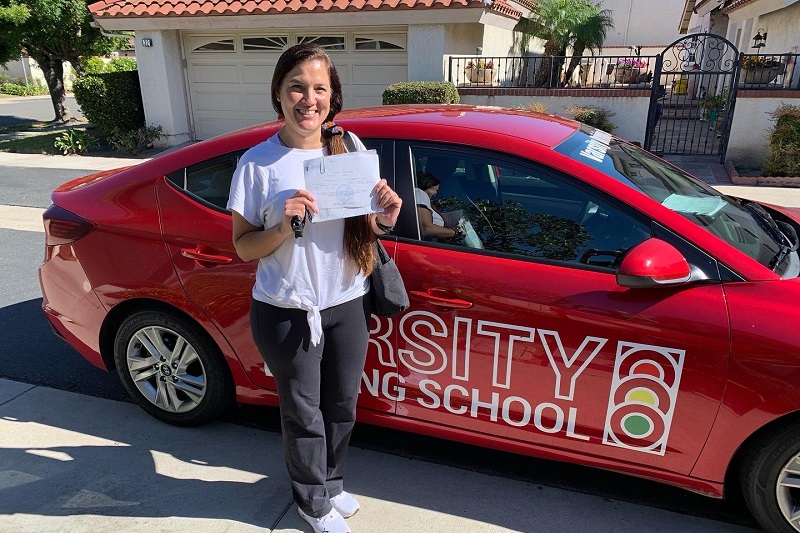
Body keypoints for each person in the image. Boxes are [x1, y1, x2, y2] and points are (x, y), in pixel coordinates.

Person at [227, 43, 402, 533]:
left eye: (319, 88)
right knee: (303, 413)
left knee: (342, 405)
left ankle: (331, 482)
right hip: (287, 309)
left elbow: (364, 228)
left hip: (347, 301)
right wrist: (283, 225)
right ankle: (312, 504)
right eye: (297, 87)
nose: (309, 98)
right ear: (279, 96)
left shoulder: (352, 151)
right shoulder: (258, 164)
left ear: (333, 96)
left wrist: (384, 220)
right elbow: (243, 247)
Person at [414, 171, 463, 241]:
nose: (435, 193)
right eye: (436, 190)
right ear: (428, 185)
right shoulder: (419, 194)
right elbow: (426, 228)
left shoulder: (424, 200)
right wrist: (456, 232)